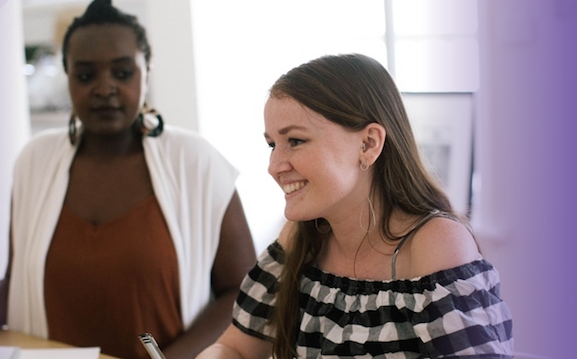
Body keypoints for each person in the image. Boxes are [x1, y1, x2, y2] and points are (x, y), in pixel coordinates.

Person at [0, 0, 256, 359]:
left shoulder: (195, 161)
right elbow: (17, 287)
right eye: (85, 75)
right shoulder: (35, 162)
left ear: (146, 70)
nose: (104, 88)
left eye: (122, 72)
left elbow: (243, 294)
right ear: (68, 76)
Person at [197, 54, 514, 358]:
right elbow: (235, 347)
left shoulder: (435, 244)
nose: (274, 165)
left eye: (295, 141)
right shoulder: (299, 238)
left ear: (368, 144)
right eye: (271, 144)